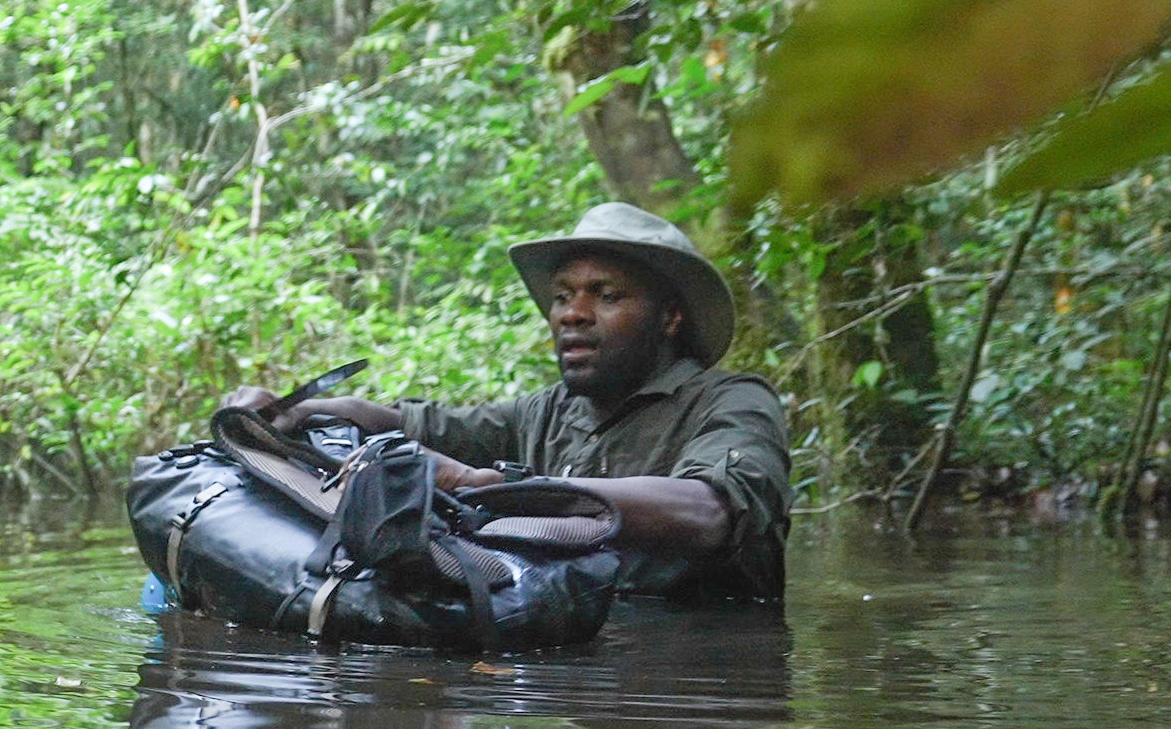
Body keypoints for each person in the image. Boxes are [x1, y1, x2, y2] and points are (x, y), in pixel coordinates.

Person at [224, 201, 789, 601]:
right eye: (562, 297)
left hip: (704, 685)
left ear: (670, 317)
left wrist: (496, 490)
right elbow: (408, 422)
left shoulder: (731, 402)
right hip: (575, 660)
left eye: (607, 296)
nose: (572, 314)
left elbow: (709, 511)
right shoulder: (547, 413)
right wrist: (293, 412)